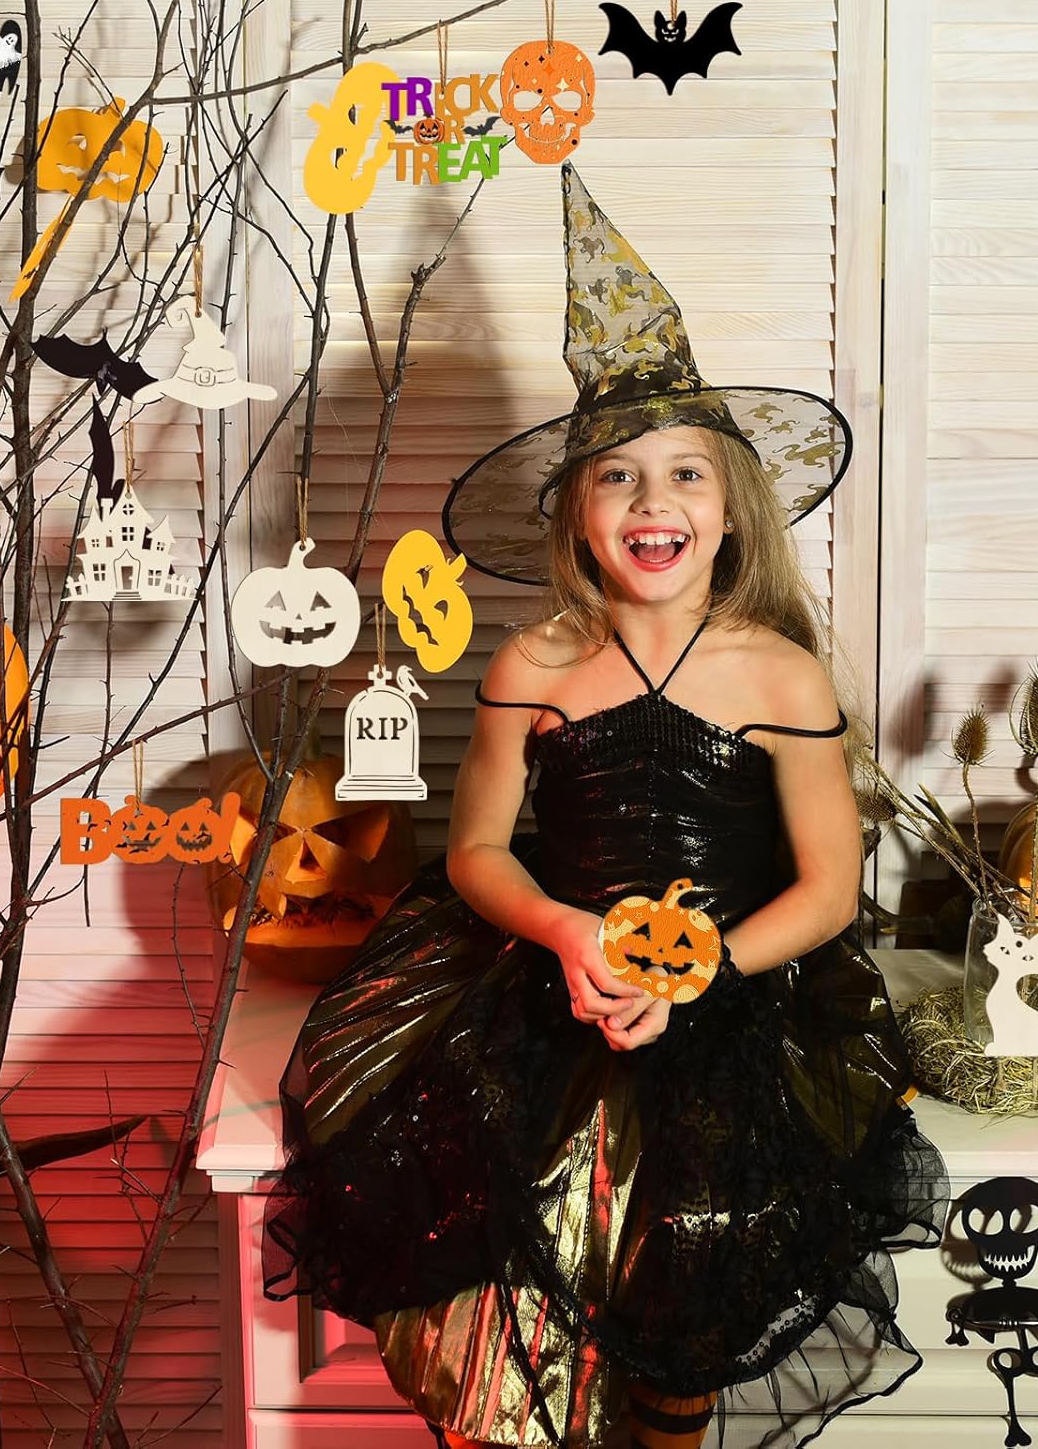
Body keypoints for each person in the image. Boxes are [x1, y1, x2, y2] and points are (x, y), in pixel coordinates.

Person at [261, 165, 949, 1449]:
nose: (653, 503)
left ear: (731, 513)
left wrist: (699, 969)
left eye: (686, 475)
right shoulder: (534, 663)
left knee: (692, 1260)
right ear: (577, 514)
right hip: (543, 975)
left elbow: (827, 890)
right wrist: (567, 932)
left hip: (733, 991)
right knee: (500, 1231)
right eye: (618, 477)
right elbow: (476, 849)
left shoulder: (781, 673)